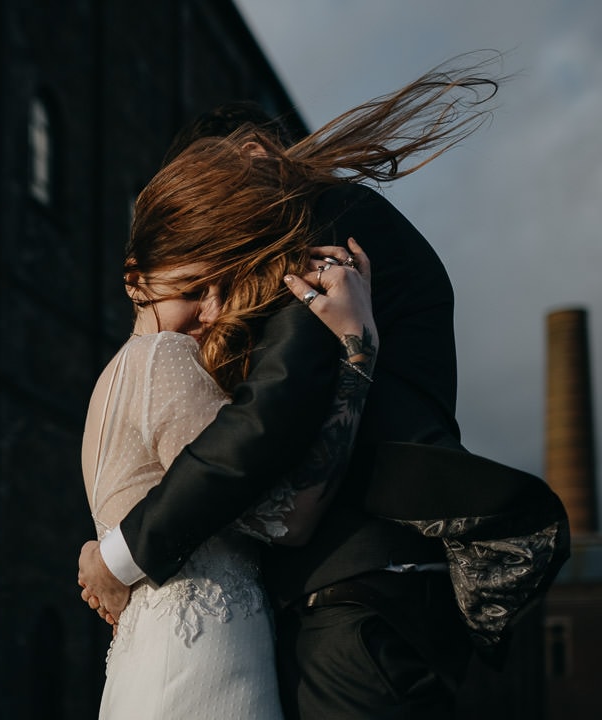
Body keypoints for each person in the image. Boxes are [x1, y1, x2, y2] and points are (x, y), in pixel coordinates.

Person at [77, 54, 563, 719]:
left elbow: (269, 415)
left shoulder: (322, 226)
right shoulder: (165, 351)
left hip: (361, 595)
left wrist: (119, 556)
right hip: (347, 603)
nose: (227, 241)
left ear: (253, 156)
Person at [84, 236, 377, 718]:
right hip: (198, 664)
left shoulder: (114, 375)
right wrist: (357, 351)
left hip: (156, 663)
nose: (213, 312)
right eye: (195, 290)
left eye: (224, 290)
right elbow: (290, 518)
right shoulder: (165, 356)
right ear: (136, 282)